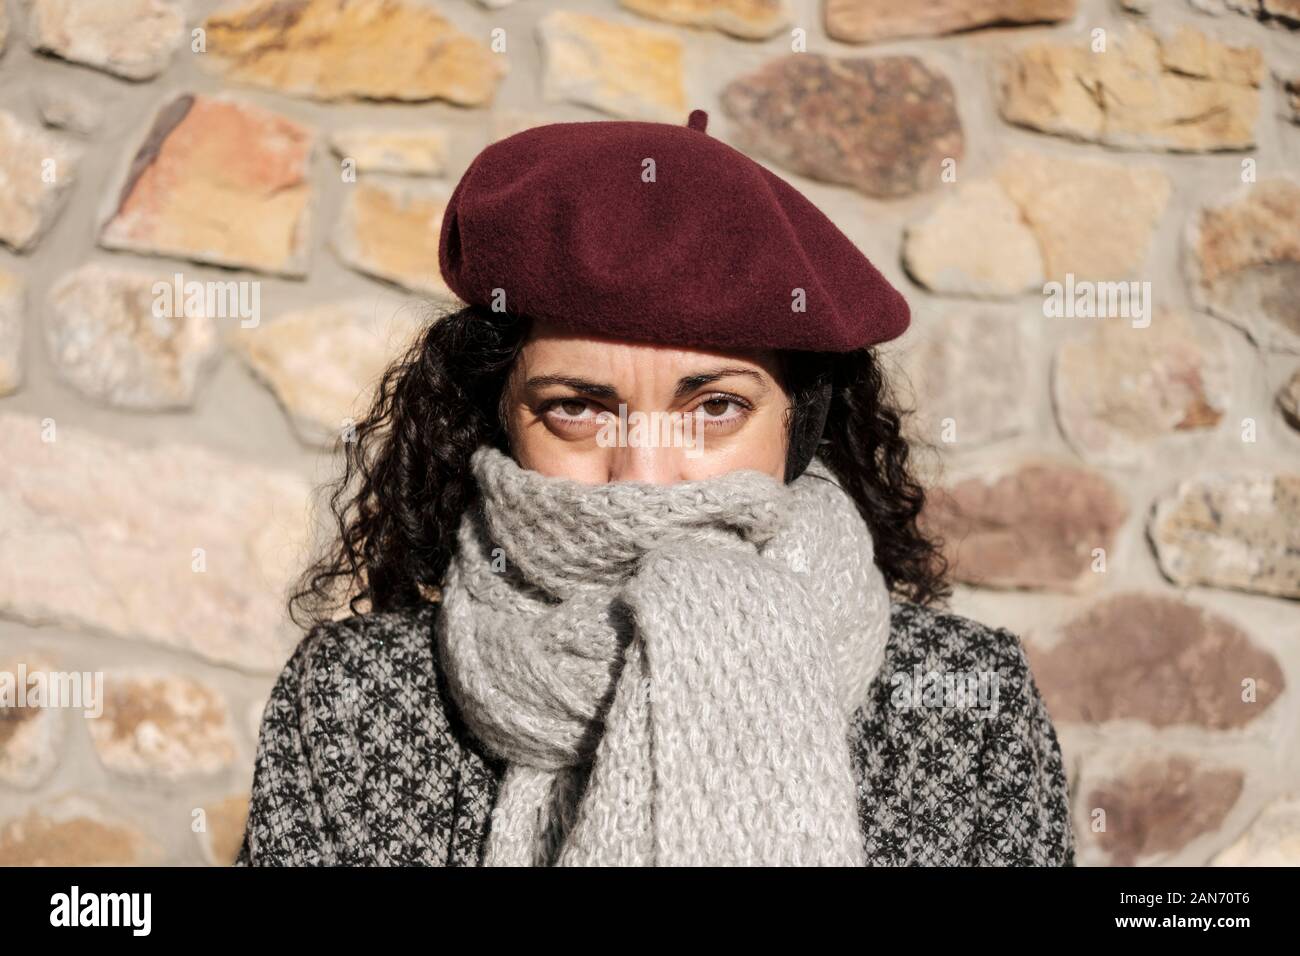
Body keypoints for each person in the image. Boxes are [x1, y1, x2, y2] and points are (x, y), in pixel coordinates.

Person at [235, 109, 1074, 867]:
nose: (643, 475)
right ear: (493, 421)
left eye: (714, 408)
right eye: (576, 408)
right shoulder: (353, 701)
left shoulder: (966, 702)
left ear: (798, 429)